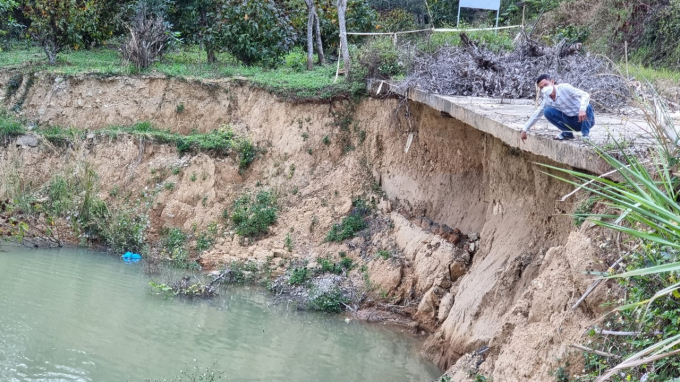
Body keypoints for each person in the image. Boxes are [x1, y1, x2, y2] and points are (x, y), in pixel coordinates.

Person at [520, 74, 595, 142]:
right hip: (571, 122)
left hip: (585, 120)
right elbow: (537, 113)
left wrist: (582, 109)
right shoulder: (547, 99)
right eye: (541, 87)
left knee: (587, 106)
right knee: (547, 111)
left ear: (552, 82)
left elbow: (585, 95)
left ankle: (585, 134)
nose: (544, 88)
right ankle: (567, 133)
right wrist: (525, 129)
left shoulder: (564, 88)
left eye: (546, 85)